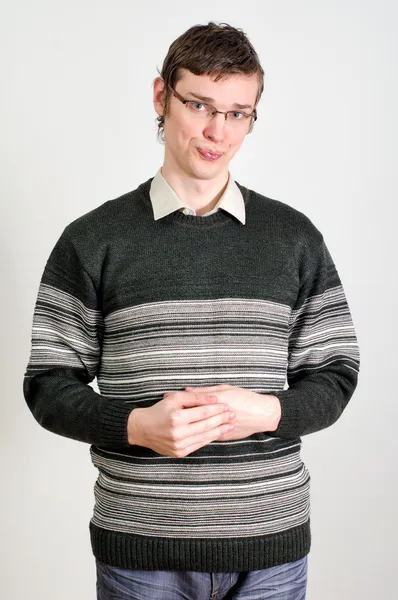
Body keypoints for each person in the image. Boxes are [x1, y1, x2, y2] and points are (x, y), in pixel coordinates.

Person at [24, 21, 360, 600]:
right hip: (142, 551)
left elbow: (336, 375)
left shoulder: (293, 238)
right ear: (161, 96)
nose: (216, 131)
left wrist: (268, 412)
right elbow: (49, 385)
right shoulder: (93, 239)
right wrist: (135, 426)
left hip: (271, 548)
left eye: (237, 113)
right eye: (199, 105)